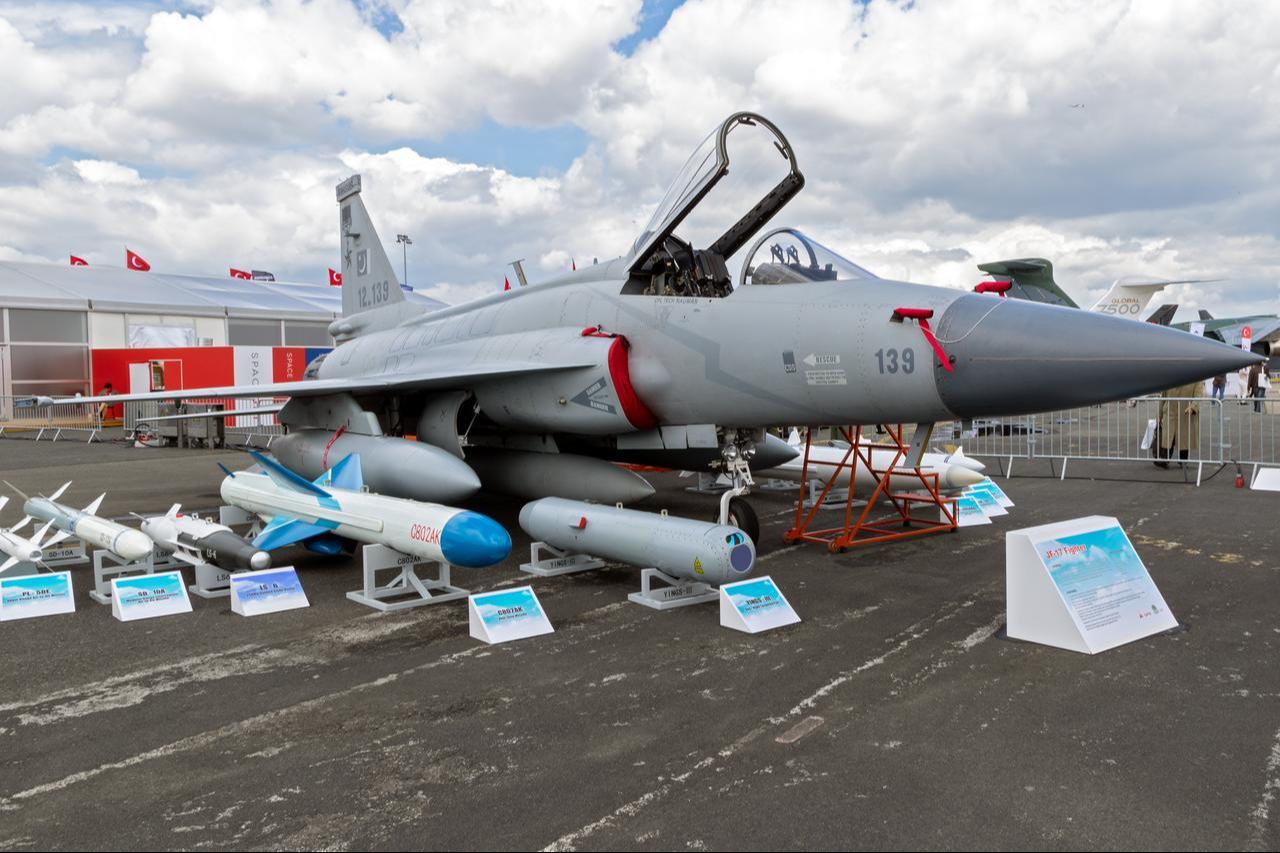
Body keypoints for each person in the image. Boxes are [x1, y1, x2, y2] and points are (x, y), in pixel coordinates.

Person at [1155, 381, 1201, 468]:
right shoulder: (1171, 377)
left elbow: (1198, 396)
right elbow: (1163, 397)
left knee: (1184, 438)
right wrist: (1159, 415)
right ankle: (1164, 459)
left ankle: (1183, 461)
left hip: (1185, 413)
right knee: (1169, 437)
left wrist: (1193, 407)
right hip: (1170, 412)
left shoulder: (1196, 378)